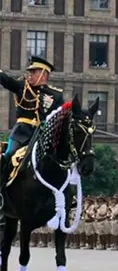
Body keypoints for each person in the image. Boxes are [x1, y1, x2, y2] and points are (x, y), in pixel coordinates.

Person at [0, 56, 65, 203]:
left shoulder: (55, 95)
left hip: (43, 135)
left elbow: (63, 115)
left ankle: (65, 193)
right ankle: (1, 191)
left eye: (33, 72)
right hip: (22, 133)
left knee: (62, 158)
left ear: (43, 74)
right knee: (9, 154)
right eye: (30, 72)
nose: (30, 74)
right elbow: (6, 80)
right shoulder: (22, 87)